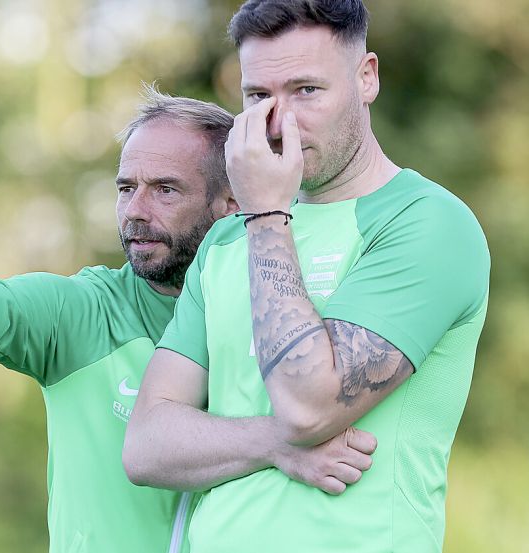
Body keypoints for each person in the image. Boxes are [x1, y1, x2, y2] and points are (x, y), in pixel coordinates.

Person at [0, 86, 376, 553]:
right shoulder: (84, 312)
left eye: (165, 190)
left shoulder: (289, 317)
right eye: (126, 188)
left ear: (232, 202)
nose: (136, 211)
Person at [123, 1, 491, 552]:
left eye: (306, 91)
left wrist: (269, 215)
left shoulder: (428, 223)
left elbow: (308, 405)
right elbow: (146, 446)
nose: (279, 121)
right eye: (258, 96)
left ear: (366, 78)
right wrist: (275, 444)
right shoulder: (227, 240)